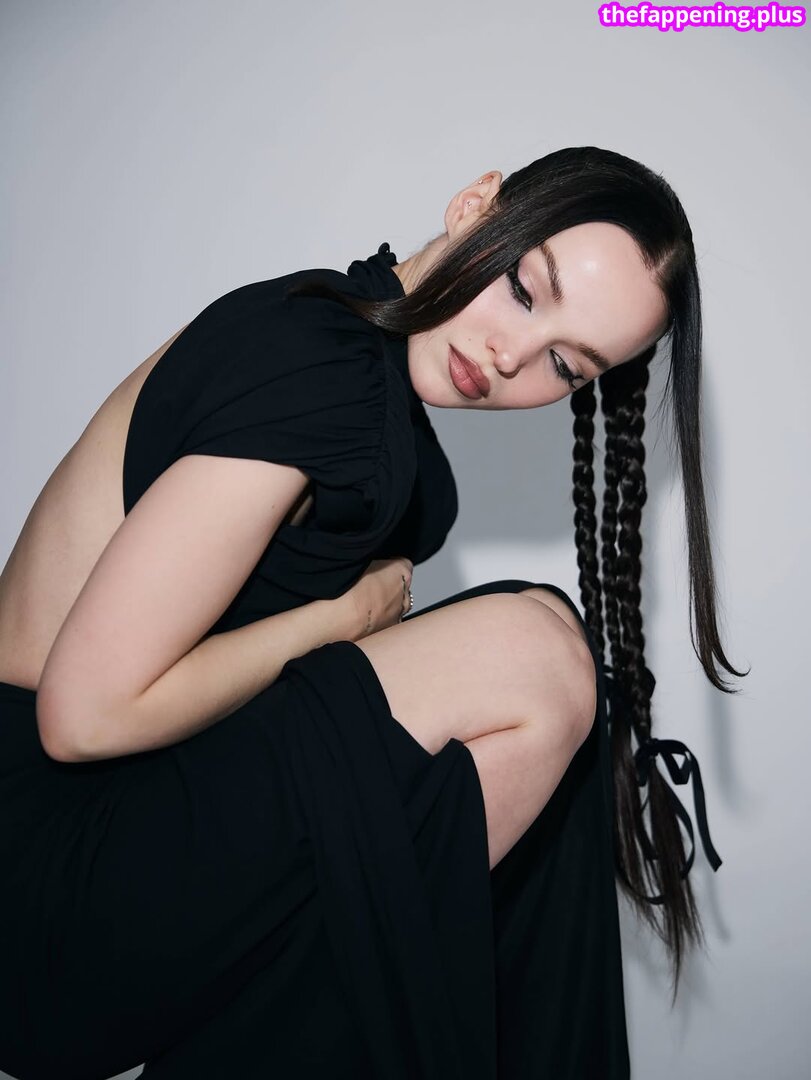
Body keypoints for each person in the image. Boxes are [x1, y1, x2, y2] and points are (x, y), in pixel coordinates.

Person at [0, 145, 746, 1080]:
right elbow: (83, 717)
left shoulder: (363, 392)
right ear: (475, 205)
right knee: (537, 654)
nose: (510, 356)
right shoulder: (317, 366)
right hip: (43, 875)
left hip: (123, 852)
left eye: (563, 365)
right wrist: (344, 615)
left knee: (547, 651)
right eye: (523, 289)